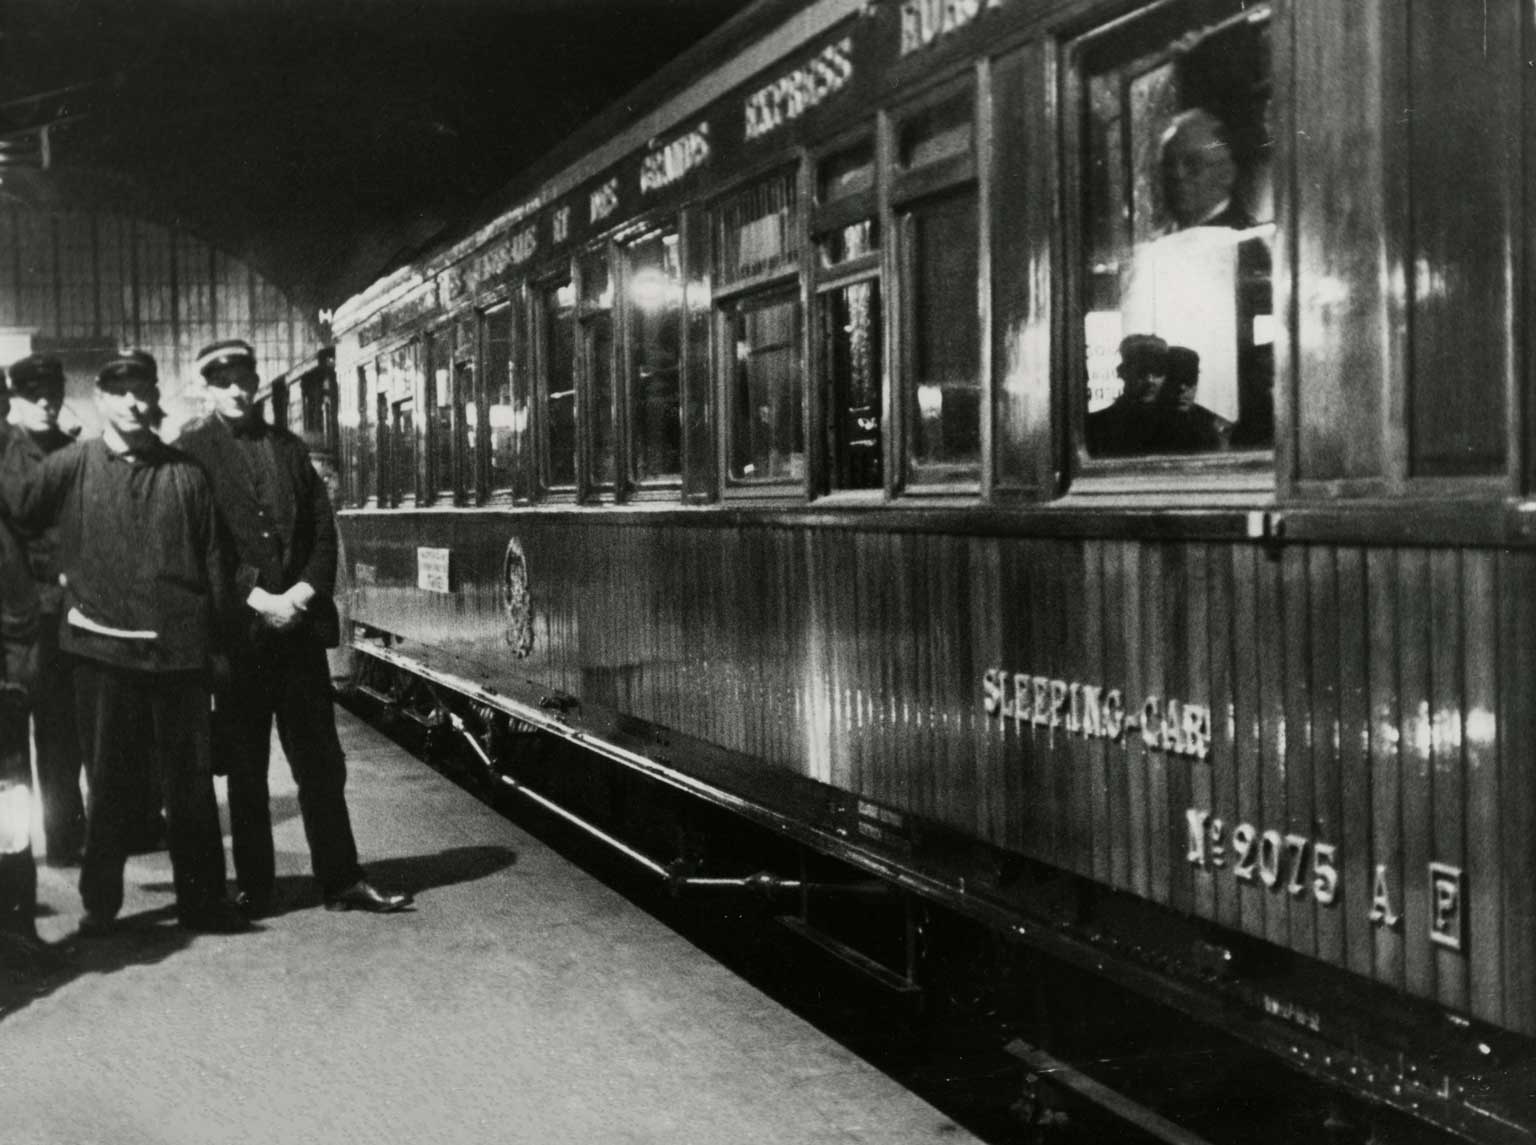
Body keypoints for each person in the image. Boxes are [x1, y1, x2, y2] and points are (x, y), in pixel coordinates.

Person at [0, 351, 246, 935]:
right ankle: (100, 905)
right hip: (102, 653)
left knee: (188, 788)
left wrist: (218, 653)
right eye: (122, 393)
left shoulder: (187, 474)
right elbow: (20, 507)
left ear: (153, 400)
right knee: (109, 782)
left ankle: (203, 901)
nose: (134, 402)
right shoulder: (73, 462)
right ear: (104, 402)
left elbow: (215, 563)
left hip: (178, 654)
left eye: (143, 391)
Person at [176, 339, 410, 917]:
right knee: (247, 771)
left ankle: (342, 880)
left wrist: (303, 594)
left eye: (244, 376)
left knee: (321, 766)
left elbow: (323, 533)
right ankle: (257, 888)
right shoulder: (191, 452)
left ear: (256, 381)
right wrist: (258, 599)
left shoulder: (288, 448)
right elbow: (200, 546)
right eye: (223, 378)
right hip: (240, 641)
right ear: (208, 385)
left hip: (298, 636)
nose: (236, 387)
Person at [4, 355, 87, 867]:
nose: (45, 403)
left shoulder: (73, 453)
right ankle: (14, 853)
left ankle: (65, 841)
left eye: (52, 394)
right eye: (34, 395)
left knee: (62, 738)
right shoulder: (1, 452)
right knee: (11, 744)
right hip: (12, 623)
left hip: (61, 618)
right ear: (14, 399)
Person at [1159, 107, 1253, 231]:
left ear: (1226, 174)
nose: (1178, 174)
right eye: (1169, 164)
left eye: (1193, 164)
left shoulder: (1243, 240)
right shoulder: (1157, 241)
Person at [1086, 334, 1169, 457]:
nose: (1150, 380)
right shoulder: (1097, 426)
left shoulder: (1177, 424)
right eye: (1142, 372)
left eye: (1158, 372)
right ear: (1122, 372)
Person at [1158, 345, 1231, 453]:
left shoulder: (1215, 426)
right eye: (1174, 380)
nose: (1182, 388)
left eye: (1190, 380)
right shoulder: (1143, 422)